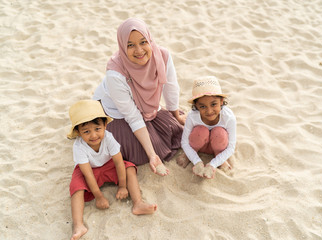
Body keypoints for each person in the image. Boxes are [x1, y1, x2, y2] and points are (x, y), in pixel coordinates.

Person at [93, 18, 185, 176]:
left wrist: (175, 115)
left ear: (150, 39)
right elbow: (132, 117)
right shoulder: (115, 73)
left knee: (176, 130)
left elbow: (170, 87)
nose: (139, 50)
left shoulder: (162, 55)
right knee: (145, 151)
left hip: (147, 108)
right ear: (122, 46)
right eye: (130, 45)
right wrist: (151, 155)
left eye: (143, 42)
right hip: (117, 113)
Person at [67, 100, 157, 240]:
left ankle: (138, 203)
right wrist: (99, 197)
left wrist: (122, 186)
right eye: (86, 131)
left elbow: (118, 162)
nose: (93, 135)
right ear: (78, 132)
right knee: (76, 187)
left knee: (130, 168)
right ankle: (78, 225)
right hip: (88, 170)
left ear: (105, 125)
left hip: (108, 165)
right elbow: (88, 174)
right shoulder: (79, 147)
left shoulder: (108, 137)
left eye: (97, 129)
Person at [178, 76, 237, 179]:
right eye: (203, 106)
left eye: (214, 104)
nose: (209, 111)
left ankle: (219, 157)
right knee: (200, 131)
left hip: (219, 145)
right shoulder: (192, 116)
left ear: (221, 101)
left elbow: (231, 147)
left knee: (220, 132)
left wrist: (213, 164)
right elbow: (184, 142)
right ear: (196, 106)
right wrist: (197, 161)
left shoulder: (228, 117)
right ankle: (190, 154)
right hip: (199, 144)